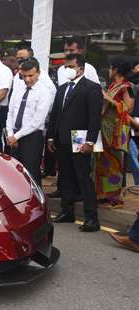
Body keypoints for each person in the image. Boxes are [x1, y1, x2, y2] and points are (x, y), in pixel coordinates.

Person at [47, 54, 103, 232]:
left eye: (70, 67)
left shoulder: (91, 88)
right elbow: (56, 114)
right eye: (66, 67)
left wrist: (90, 140)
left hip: (81, 136)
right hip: (62, 137)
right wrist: (51, 137)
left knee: (83, 177)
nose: (67, 70)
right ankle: (67, 211)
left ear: (80, 68)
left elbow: (95, 117)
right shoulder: (62, 88)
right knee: (65, 176)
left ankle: (91, 218)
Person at [93, 57, 134, 207]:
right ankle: (103, 195)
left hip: (115, 131)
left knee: (114, 163)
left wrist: (109, 99)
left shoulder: (127, 86)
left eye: (111, 68)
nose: (109, 70)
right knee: (102, 162)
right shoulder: (113, 85)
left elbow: (128, 108)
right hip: (104, 128)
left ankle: (115, 198)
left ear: (116, 70)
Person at [6, 59, 54, 185]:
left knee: (31, 172)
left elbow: (37, 121)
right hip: (14, 136)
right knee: (15, 171)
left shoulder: (44, 92)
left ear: (38, 73)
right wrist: (10, 133)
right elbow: (10, 112)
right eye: (24, 76)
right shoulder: (18, 88)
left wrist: (15, 136)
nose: (27, 79)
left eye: (31, 75)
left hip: (32, 137)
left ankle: (36, 202)